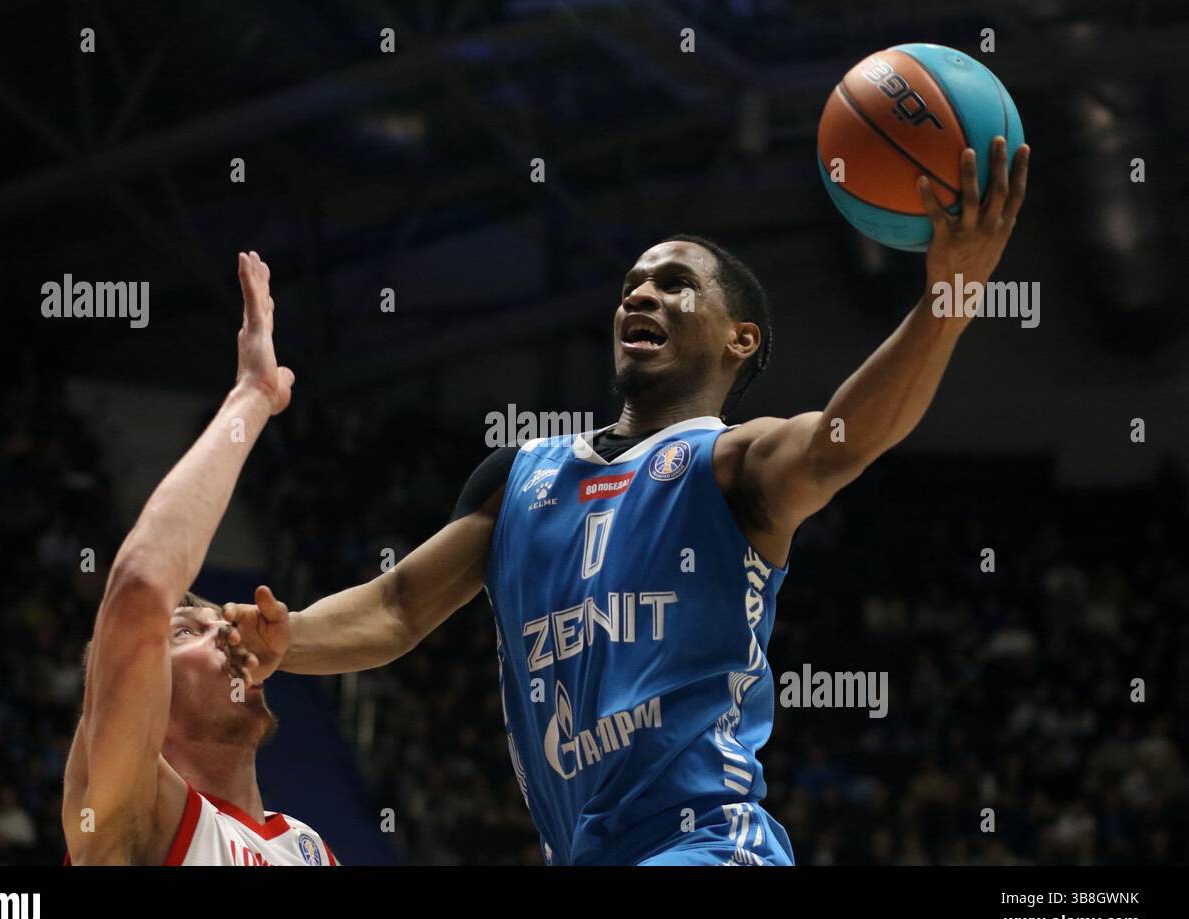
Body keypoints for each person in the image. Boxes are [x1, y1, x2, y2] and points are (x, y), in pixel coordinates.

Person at [228, 139, 1029, 865]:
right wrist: (286, 640)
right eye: (632, 286)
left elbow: (844, 441)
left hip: (711, 846)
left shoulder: (733, 463)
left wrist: (947, 302)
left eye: (675, 285)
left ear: (739, 338)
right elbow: (399, 607)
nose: (640, 296)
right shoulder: (522, 475)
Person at [62, 252, 336, 866]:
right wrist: (254, 397)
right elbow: (139, 588)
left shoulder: (309, 847)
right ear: (142, 700)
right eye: (187, 630)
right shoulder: (130, 820)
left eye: (220, 622)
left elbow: (399, 610)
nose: (227, 633)